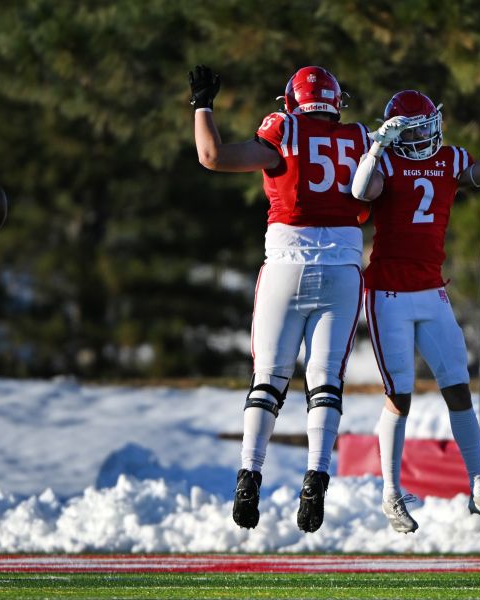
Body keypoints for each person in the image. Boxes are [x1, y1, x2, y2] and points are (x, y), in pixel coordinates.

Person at [190, 64, 374, 532]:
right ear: (335, 103)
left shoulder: (282, 128)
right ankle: (316, 476)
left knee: (268, 379)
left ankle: (249, 473)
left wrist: (202, 104)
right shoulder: (359, 139)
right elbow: (386, 189)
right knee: (325, 381)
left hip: (286, 263)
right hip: (341, 269)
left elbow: (211, 157)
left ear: (291, 102)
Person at [349, 77, 480, 533]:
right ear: (394, 132)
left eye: (426, 126)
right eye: (411, 129)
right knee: (399, 397)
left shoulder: (450, 160)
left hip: (432, 290)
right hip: (388, 293)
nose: (423, 137)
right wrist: (374, 148)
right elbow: (359, 192)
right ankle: (391, 494)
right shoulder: (383, 160)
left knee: (457, 389)